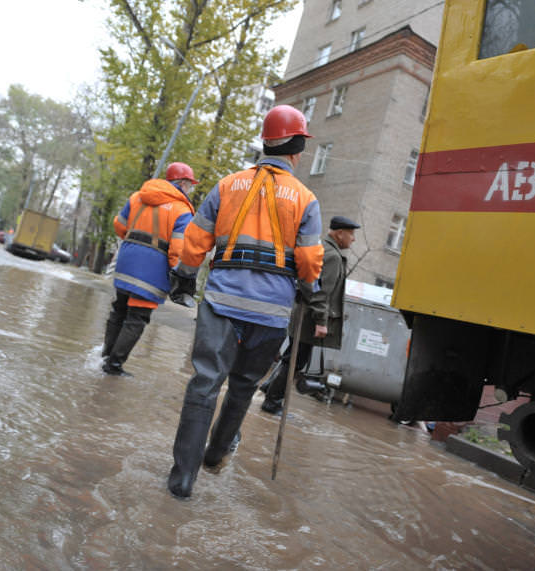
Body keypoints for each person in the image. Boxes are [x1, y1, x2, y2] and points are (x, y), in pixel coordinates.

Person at [166, 105, 324, 500]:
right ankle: (216, 455)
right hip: (271, 314)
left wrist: (184, 279)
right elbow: (307, 263)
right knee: (242, 388)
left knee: (205, 384)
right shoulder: (306, 199)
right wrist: (310, 290)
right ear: (296, 147)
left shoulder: (226, 186)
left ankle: (182, 480)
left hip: (221, 302)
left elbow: (195, 244)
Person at [100, 162, 198, 376]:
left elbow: (119, 226)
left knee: (119, 308)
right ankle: (114, 366)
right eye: (190, 185)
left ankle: (106, 356)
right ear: (182, 183)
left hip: (127, 261)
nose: (190, 189)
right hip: (152, 270)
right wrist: (179, 275)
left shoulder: (137, 197)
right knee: (137, 317)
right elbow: (178, 250)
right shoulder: (182, 210)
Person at [260, 215, 360, 414]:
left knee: (291, 358)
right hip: (310, 318)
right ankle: (272, 401)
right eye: (351, 234)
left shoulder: (324, 249)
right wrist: (321, 322)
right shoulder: (331, 256)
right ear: (340, 234)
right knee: (295, 361)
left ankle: (269, 388)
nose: (353, 239)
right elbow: (321, 292)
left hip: (306, 314)